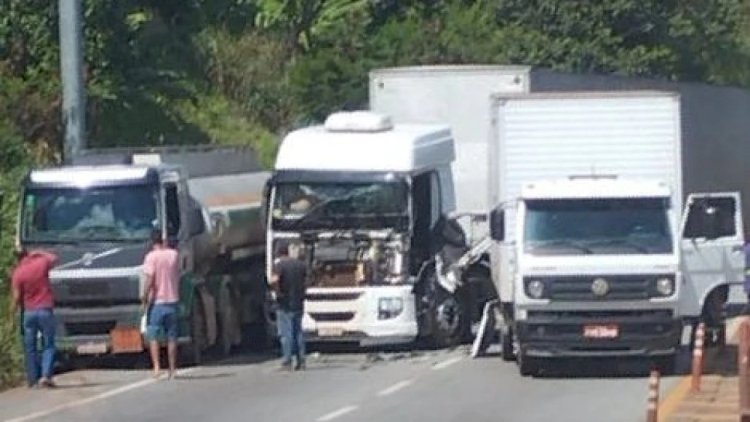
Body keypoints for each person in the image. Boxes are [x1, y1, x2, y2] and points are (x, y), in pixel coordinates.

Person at [10, 247, 58, 388]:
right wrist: (39, 252)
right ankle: (46, 375)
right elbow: (54, 258)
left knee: (30, 346)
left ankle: (32, 380)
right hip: (44, 309)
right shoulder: (41, 263)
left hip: (29, 313)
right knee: (48, 344)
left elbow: (17, 297)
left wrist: (12, 313)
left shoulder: (18, 273)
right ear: (28, 254)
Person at [141, 229, 180, 379]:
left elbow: (150, 280)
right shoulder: (173, 255)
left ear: (152, 242)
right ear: (163, 240)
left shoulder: (151, 257)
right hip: (172, 301)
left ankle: (157, 367)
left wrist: (144, 297)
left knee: (153, 336)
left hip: (157, 302)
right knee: (172, 337)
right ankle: (172, 369)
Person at [271, 244, 308, 371]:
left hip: (284, 304)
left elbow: (274, 280)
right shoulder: (300, 265)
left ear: (278, 254)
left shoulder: (279, 265)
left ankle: (287, 361)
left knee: (286, 333)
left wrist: (277, 293)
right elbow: (306, 281)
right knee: (298, 332)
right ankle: (301, 361)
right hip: (298, 302)